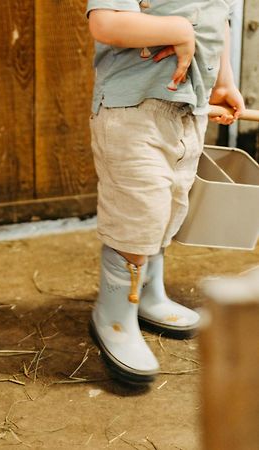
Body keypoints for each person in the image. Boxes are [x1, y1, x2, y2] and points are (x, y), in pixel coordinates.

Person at [86, 0, 245, 383]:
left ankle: (149, 295)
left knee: (168, 206)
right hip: (133, 112)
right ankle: (115, 315)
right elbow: (105, 24)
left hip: (190, 111)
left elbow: (217, 18)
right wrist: (178, 31)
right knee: (137, 212)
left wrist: (223, 81)